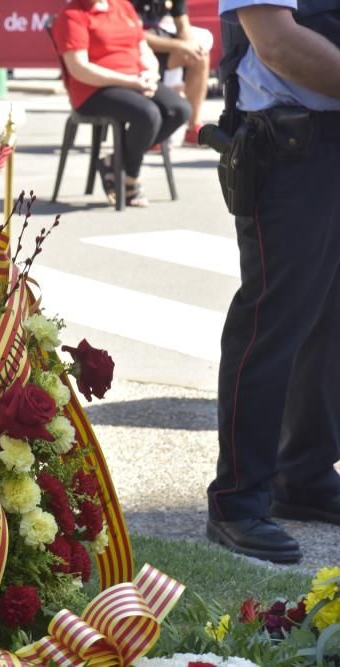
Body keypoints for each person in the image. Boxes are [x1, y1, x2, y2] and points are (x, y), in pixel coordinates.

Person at [205, 0, 340, 563]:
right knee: (270, 323)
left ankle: (304, 474)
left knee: (330, 319)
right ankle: (238, 499)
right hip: (290, 144)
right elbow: (277, 44)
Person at [52, 0, 191, 207]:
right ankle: (130, 179)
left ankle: (114, 162)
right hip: (94, 89)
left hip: (135, 79)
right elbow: (79, 68)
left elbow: (142, 48)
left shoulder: (122, 6)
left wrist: (151, 74)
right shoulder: (73, 15)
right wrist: (130, 82)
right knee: (148, 114)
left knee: (178, 109)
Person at [132, 0, 214, 145]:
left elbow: (182, 25)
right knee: (150, 63)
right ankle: (150, 132)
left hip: (156, 38)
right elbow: (134, 34)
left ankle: (193, 127)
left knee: (200, 57)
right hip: (132, 48)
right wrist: (180, 45)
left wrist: (191, 46)